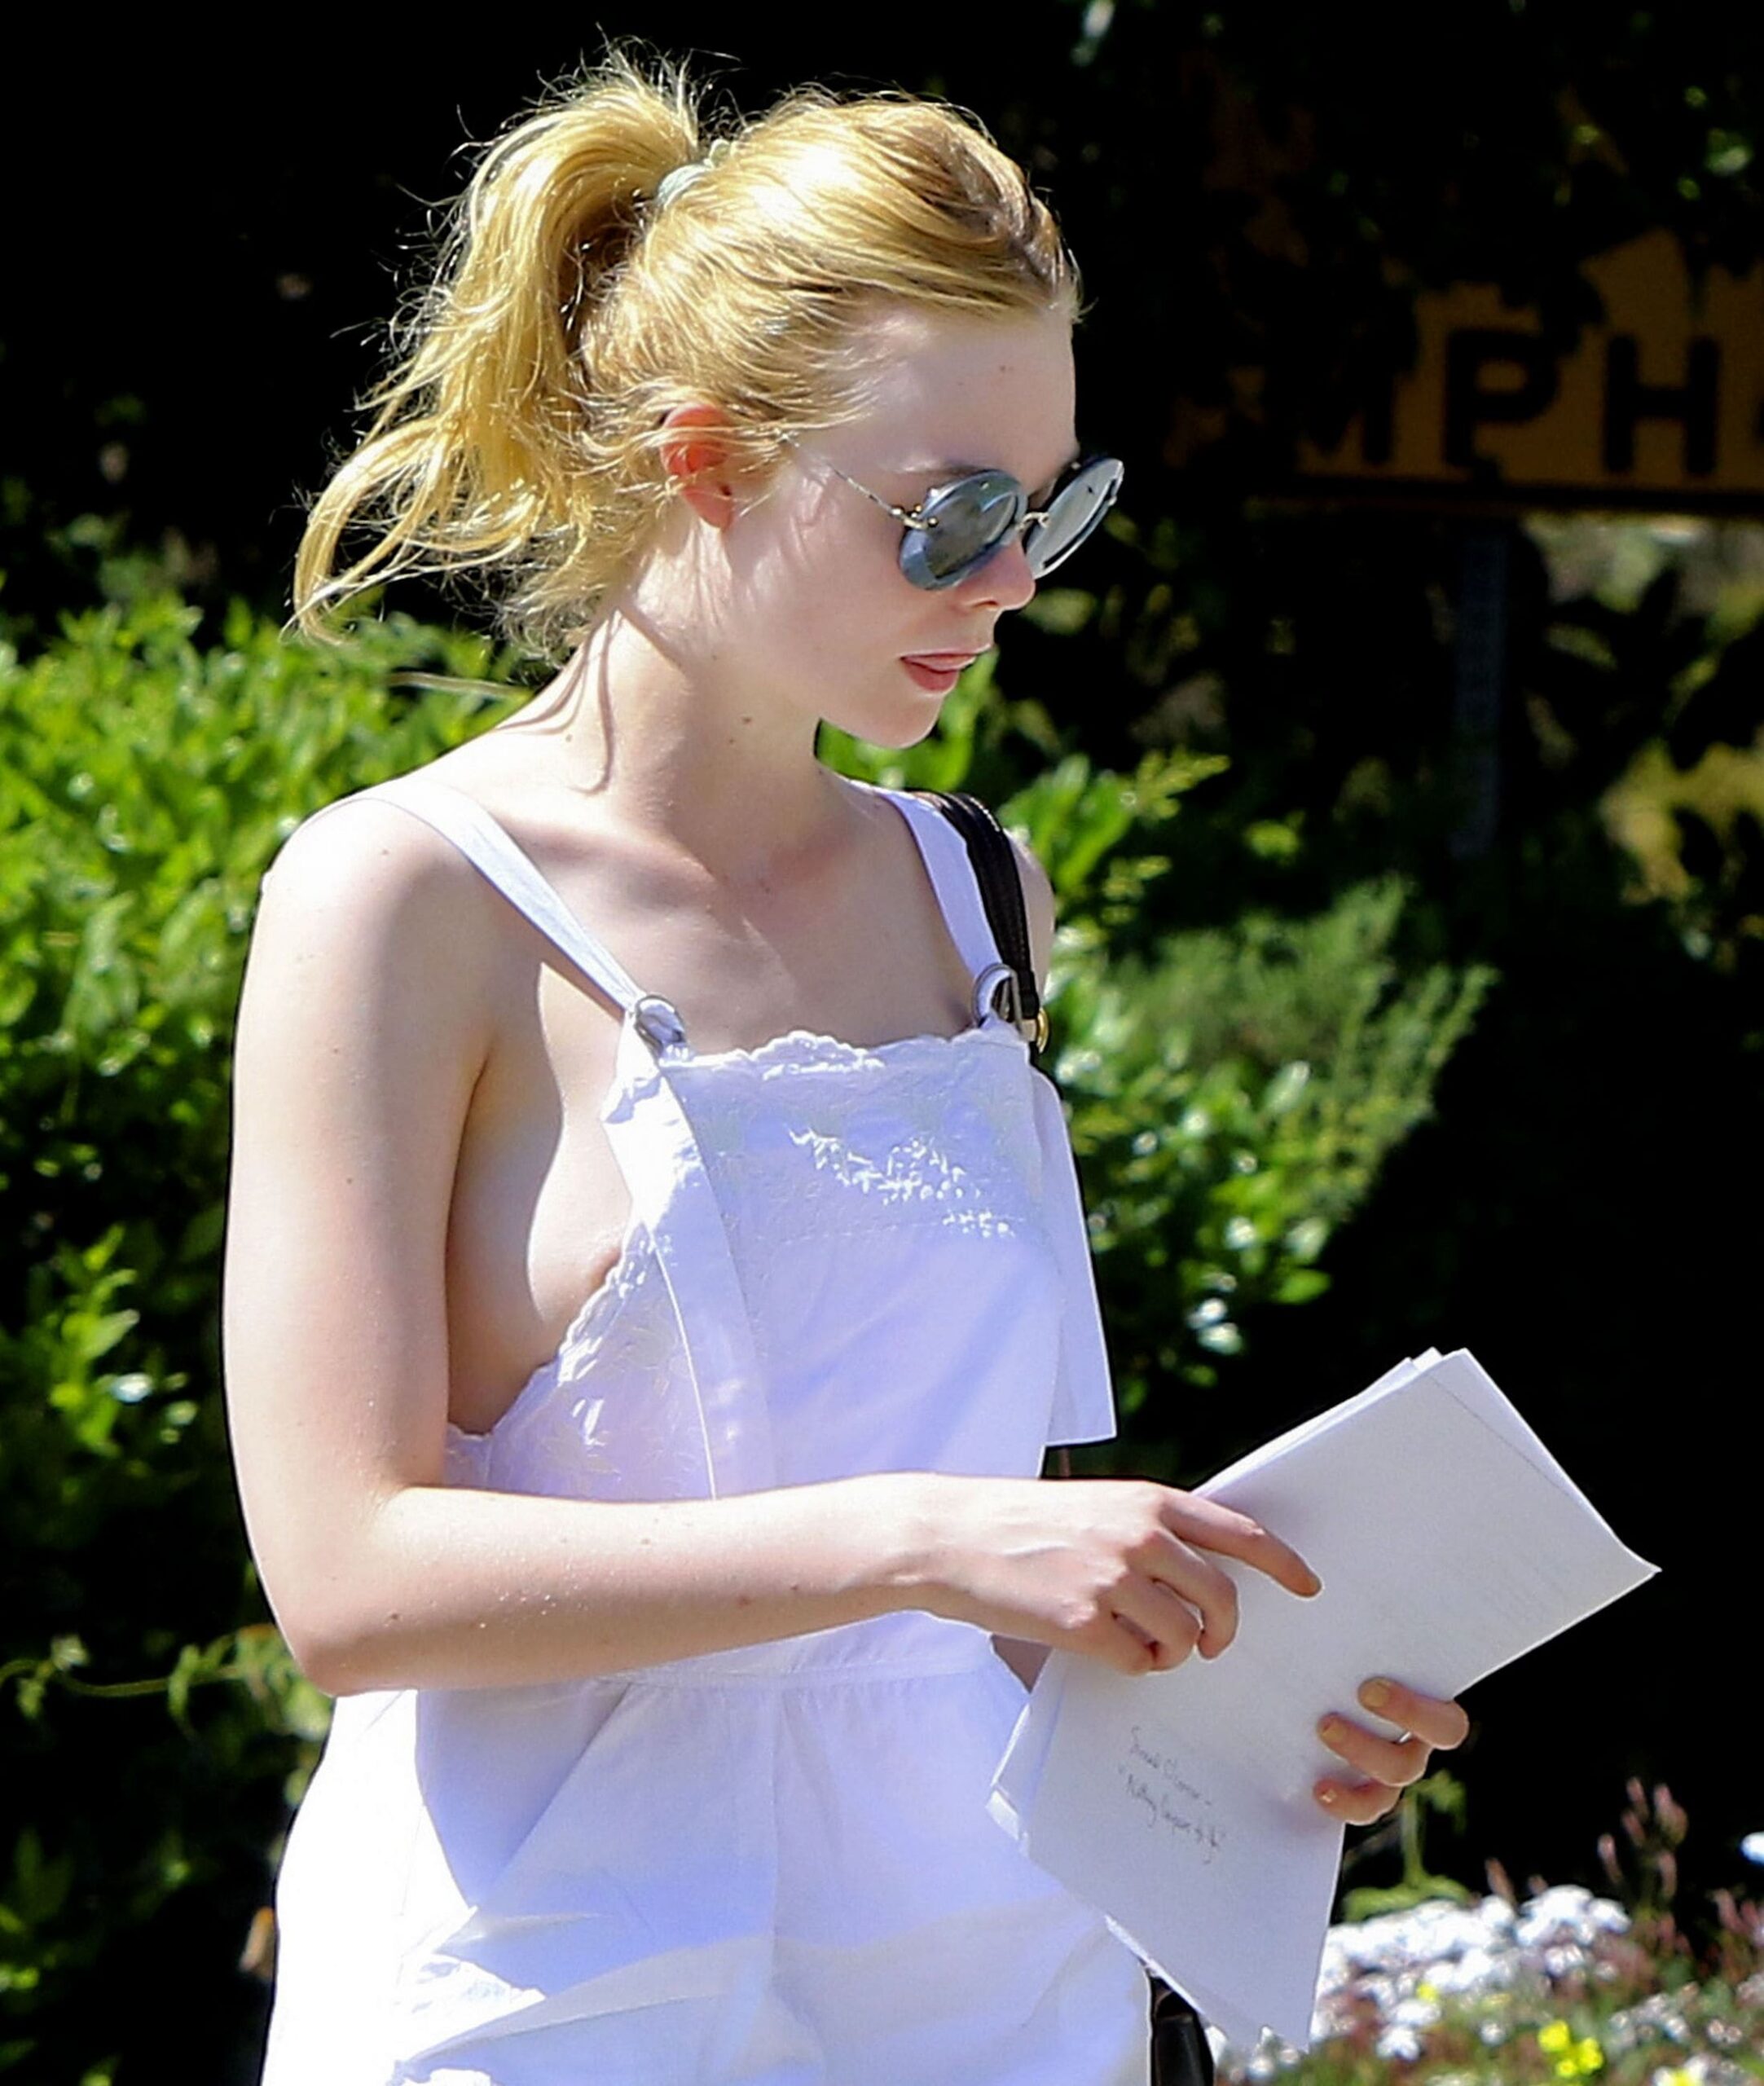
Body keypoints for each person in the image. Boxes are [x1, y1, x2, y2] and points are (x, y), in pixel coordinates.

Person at [222, 56, 1470, 2086]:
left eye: (1051, 509)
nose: (1014, 584)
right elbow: (348, 1579)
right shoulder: (403, 896)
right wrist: (924, 1535)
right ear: (707, 459)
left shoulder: (984, 896)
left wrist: (1237, 1705)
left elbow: (985, 1589)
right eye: (954, 517)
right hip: (544, 2003)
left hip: (989, 1992)